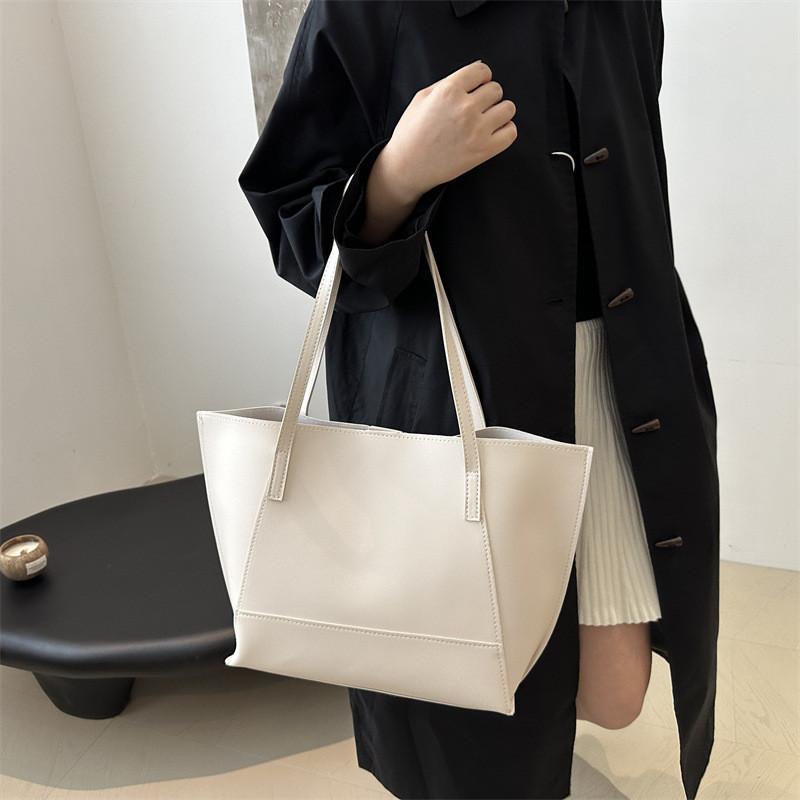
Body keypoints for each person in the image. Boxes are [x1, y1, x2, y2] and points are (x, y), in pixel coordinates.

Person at [238, 2, 720, 798]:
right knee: (470, 708)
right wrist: (396, 175)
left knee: (615, 690)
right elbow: (292, 215)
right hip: (458, 390)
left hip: (615, 370)